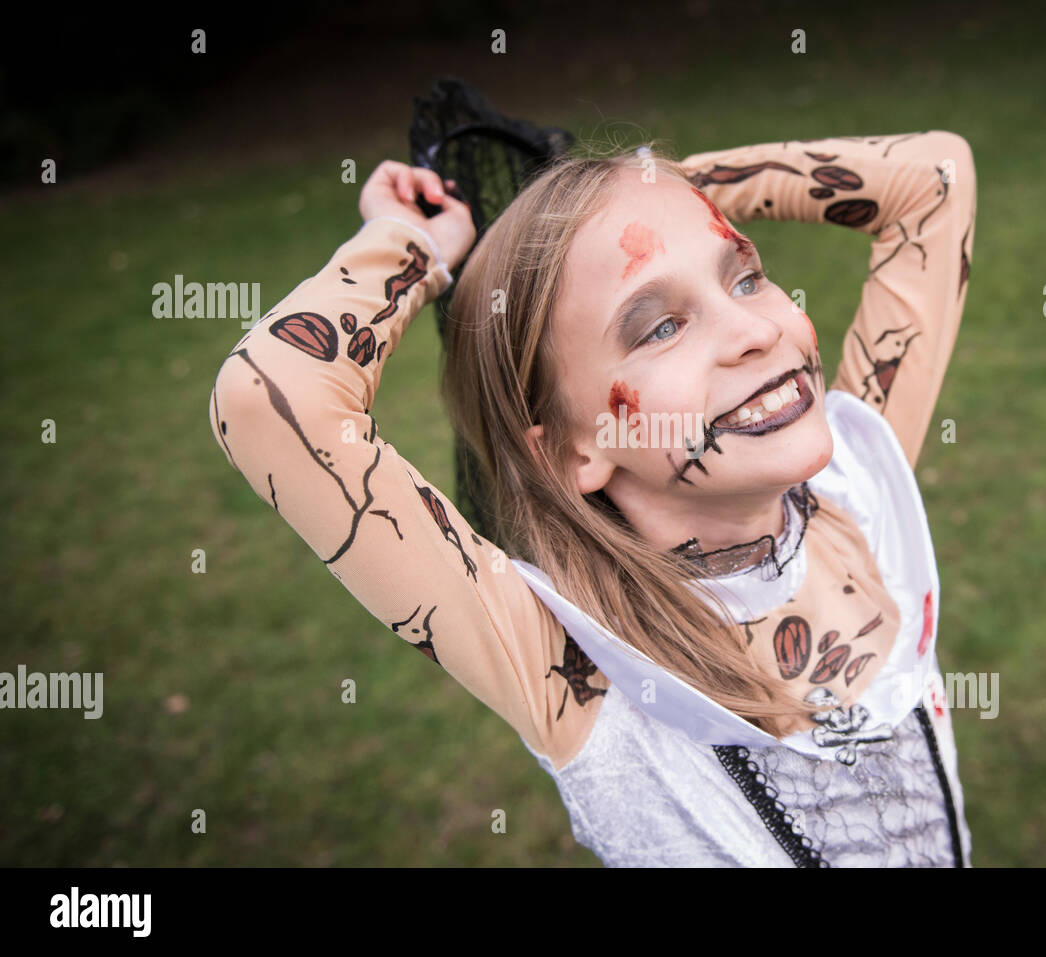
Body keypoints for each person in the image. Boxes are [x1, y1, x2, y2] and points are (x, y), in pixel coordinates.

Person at [208, 127, 977, 867]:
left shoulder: (859, 493)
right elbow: (269, 400)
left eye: (744, 276)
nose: (752, 328)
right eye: (659, 327)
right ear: (576, 451)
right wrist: (411, 248)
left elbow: (933, 180)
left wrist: (656, 190)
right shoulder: (575, 663)